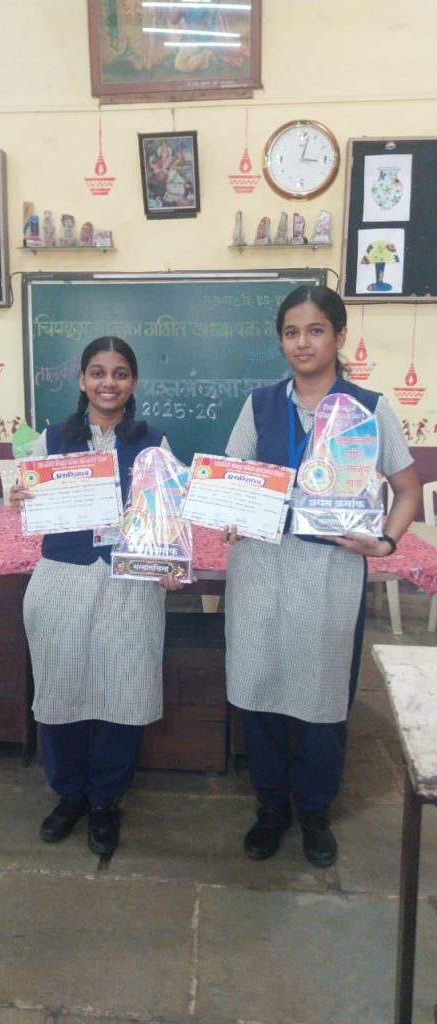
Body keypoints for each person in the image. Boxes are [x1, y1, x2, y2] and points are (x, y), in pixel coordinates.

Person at [223, 286, 421, 868]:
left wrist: (386, 541)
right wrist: (228, 507)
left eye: (314, 330)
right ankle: (270, 808)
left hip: (329, 572)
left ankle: (314, 811)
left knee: (322, 695)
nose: (302, 343)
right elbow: (232, 476)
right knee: (258, 687)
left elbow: (407, 489)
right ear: (281, 341)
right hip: (260, 568)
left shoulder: (368, 407)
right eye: (291, 332)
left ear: (338, 336)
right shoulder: (259, 405)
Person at [10, 337, 183, 858]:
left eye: (121, 373)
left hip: (129, 585)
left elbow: (168, 513)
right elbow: (28, 504)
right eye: (98, 372)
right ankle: (69, 795)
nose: (109, 382)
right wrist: (21, 497)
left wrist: (170, 561)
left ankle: (106, 799)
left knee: (123, 692)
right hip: (63, 578)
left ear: (134, 382)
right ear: (82, 380)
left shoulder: (153, 443)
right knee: (60, 688)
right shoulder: (51, 440)